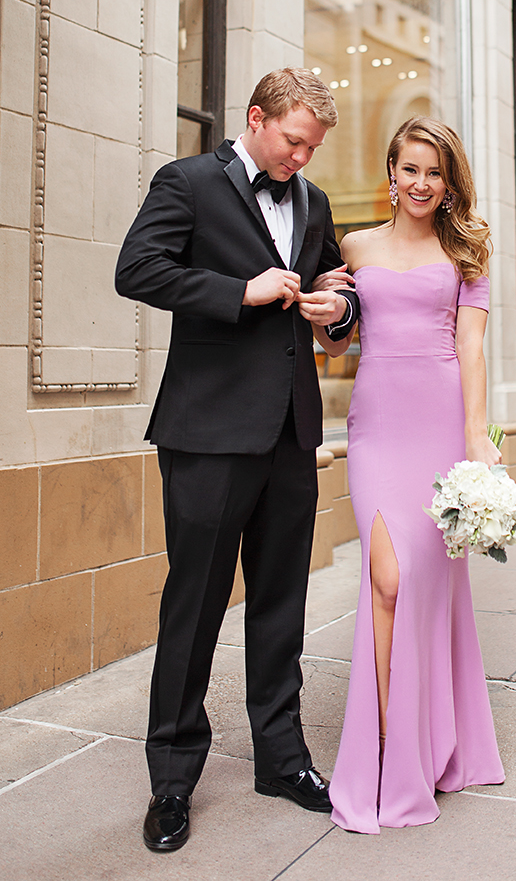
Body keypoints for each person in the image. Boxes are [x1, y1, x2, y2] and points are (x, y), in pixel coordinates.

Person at [115, 67, 359, 853]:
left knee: (282, 602)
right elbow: (138, 270)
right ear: (256, 119)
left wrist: (338, 308)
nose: (302, 158)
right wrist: (239, 291)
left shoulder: (312, 200)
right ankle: (173, 776)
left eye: (314, 147)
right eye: (294, 141)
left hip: (290, 434)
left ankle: (281, 760)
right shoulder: (186, 181)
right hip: (208, 433)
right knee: (194, 605)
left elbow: (329, 280)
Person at [311, 116, 505, 834]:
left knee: (424, 587)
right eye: (409, 168)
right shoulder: (354, 246)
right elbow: (334, 341)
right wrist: (326, 310)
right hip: (375, 430)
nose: (421, 182)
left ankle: (421, 747)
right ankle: (392, 746)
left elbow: (472, 349)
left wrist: (475, 440)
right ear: (389, 173)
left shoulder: (467, 253)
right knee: (385, 579)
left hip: (438, 427)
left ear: (448, 181)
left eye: (434, 170)